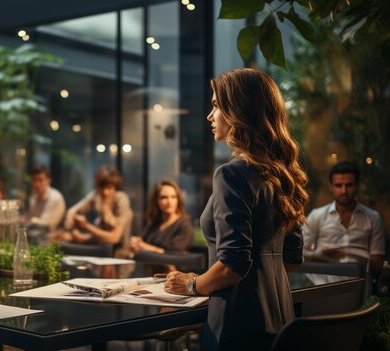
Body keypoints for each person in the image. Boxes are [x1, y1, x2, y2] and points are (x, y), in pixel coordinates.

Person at [159, 68, 308, 351]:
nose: (209, 116)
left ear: (239, 111)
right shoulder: (283, 175)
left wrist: (191, 284)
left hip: (235, 324)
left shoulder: (231, 174)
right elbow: (292, 260)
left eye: (216, 105)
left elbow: (232, 266)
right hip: (283, 324)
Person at [303, 161, 385, 283]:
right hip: (322, 285)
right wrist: (319, 254)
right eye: (338, 185)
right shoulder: (317, 215)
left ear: (357, 186)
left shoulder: (373, 218)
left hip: (360, 285)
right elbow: (299, 253)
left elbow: (377, 260)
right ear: (331, 186)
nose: (344, 191)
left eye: (349, 185)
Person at [62, 166, 133, 257]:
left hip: (120, 253)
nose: (105, 192)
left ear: (115, 187)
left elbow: (115, 237)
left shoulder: (122, 199)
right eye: (102, 188)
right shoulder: (97, 195)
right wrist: (71, 225)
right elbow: (74, 210)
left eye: (109, 188)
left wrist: (86, 226)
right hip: (100, 249)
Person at [130, 180, 194, 256]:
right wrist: (135, 243)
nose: (169, 202)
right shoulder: (154, 222)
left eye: (173, 197)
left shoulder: (184, 226)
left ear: (178, 200)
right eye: (164, 197)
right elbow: (140, 241)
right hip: (148, 266)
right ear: (156, 201)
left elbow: (172, 255)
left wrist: (144, 246)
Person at [26, 165, 66, 231]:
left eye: (40, 180)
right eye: (34, 180)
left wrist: (29, 221)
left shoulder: (55, 198)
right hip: (35, 236)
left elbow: (47, 225)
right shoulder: (33, 197)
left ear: (49, 180)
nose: (36, 184)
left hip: (54, 238)